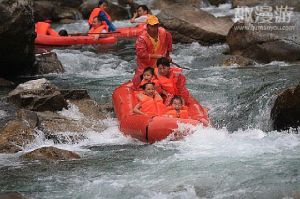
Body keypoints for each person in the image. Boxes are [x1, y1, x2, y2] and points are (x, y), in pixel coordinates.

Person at [133, 15, 172, 89]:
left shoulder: (164, 32)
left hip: (159, 64)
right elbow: (141, 54)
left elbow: (169, 40)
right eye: (152, 26)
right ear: (147, 26)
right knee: (139, 83)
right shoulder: (141, 38)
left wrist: (168, 55)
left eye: (156, 25)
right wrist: (157, 56)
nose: (154, 28)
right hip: (145, 64)